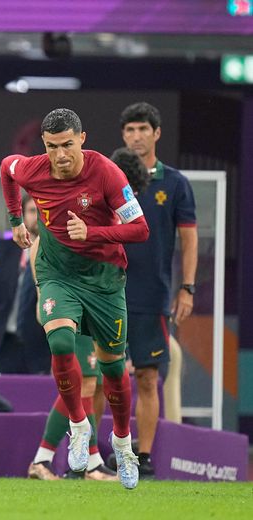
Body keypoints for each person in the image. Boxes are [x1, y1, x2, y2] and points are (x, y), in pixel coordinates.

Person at [0, 108, 149, 490]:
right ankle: (79, 428)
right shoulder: (33, 168)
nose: (60, 155)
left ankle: (122, 443)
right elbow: (6, 167)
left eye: (67, 145)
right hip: (57, 275)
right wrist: (16, 220)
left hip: (104, 280)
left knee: (113, 371)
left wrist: (94, 232)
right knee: (61, 342)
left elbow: (140, 229)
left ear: (82, 139)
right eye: (52, 147)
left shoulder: (106, 173)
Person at [120, 102, 197, 477]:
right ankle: (92, 455)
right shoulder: (109, 178)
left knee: (148, 377)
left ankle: (145, 455)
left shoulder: (176, 183)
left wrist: (187, 288)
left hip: (152, 296)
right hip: (108, 295)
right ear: (123, 135)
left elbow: (190, 240)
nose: (137, 136)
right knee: (101, 377)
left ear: (157, 133)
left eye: (143, 129)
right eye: (131, 130)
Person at [0, 194, 50, 373]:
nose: (38, 216)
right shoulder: (3, 250)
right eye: (33, 211)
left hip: (41, 347)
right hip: (3, 343)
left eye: (43, 212)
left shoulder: (57, 254)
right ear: (23, 216)